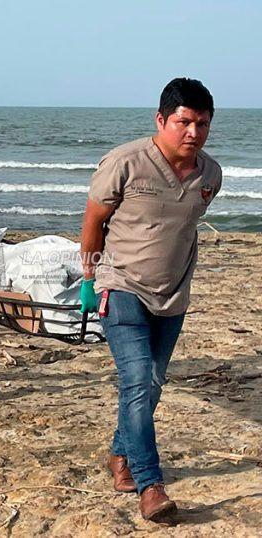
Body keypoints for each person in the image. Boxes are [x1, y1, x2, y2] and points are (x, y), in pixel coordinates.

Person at [80, 77, 220, 522]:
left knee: (152, 383)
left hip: (174, 294)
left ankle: (120, 454)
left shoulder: (209, 175)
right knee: (138, 380)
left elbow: (184, 225)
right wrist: (89, 274)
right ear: (161, 120)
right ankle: (150, 484)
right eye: (183, 122)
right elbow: (94, 218)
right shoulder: (125, 162)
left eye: (201, 123)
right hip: (120, 285)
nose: (193, 132)